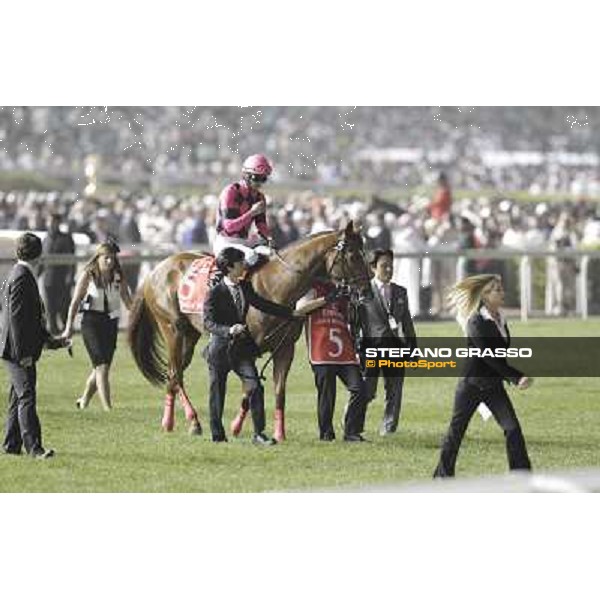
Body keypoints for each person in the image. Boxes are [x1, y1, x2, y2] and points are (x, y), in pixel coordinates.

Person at [203, 247, 323, 444]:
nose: (244, 265)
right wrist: (228, 331)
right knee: (217, 392)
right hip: (220, 350)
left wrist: (290, 314)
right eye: (241, 262)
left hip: (241, 350)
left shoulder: (245, 287)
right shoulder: (214, 293)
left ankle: (259, 434)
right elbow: (208, 322)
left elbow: (263, 304)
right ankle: (218, 435)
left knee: (256, 388)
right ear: (231, 266)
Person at [433, 274, 533, 478]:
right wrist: (516, 377)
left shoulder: (500, 319)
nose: (502, 292)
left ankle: (521, 475)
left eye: (501, 288)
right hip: (471, 386)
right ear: (485, 296)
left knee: (512, 428)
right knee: (456, 432)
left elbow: (500, 356)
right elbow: (490, 357)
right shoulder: (476, 321)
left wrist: (510, 376)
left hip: (494, 387)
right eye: (497, 289)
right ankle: (442, 477)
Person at [1, 232, 70, 459]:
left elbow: (28, 319)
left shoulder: (20, 273)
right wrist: (23, 355)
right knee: (27, 396)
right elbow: (17, 321)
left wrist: (54, 342)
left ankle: (12, 444)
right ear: (39, 254)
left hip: (15, 349)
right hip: (18, 352)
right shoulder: (23, 276)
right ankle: (34, 448)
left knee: (17, 396)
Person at [61, 241, 133, 411]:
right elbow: (75, 302)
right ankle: (108, 409)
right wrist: (68, 327)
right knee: (101, 367)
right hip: (91, 323)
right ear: (98, 257)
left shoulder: (119, 275)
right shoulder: (89, 274)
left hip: (110, 323)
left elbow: (128, 301)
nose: (110, 262)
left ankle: (84, 401)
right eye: (106, 258)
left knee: (101, 368)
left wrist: (140, 318)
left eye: (113, 258)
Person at [298, 279, 369, 442]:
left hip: (344, 351)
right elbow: (300, 309)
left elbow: (351, 319)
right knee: (327, 394)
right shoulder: (314, 288)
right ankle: (326, 434)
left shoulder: (342, 292)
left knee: (359, 389)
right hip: (321, 351)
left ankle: (351, 432)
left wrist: (353, 302)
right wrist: (325, 299)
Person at [357, 249, 417, 436]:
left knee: (395, 391)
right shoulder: (363, 291)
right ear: (373, 267)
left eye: (391, 265)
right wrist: (357, 348)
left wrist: (412, 349)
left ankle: (388, 429)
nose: (389, 269)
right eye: (384, 266)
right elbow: (356, 323)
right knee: (367, 391)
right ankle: (353, 423)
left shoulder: (400, 292)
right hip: (371, 349)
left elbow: (407, 323)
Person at [212, 154, 275, 267]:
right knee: (251, 256)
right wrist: (251, 212)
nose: (260, 183)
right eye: (257, 178)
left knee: (271, 254)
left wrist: (269, 238)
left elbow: (261, 224)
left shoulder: (260, 197)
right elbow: (229, 227)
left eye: (263, 178)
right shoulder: (231, 192)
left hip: (244, 242)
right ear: (246, 175)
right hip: (226, 242)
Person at [40, 212, 76, 335]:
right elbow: (42, 261)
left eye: (54, 221)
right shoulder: (45, 239)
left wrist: (70, 276)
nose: (51, 224)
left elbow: (72, 260)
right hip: (49, 280)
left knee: (64, 307)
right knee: (50, 309)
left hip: (62, 279)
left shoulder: (66, 238)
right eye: (50, 221)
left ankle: (67, 330)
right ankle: (53, 333)